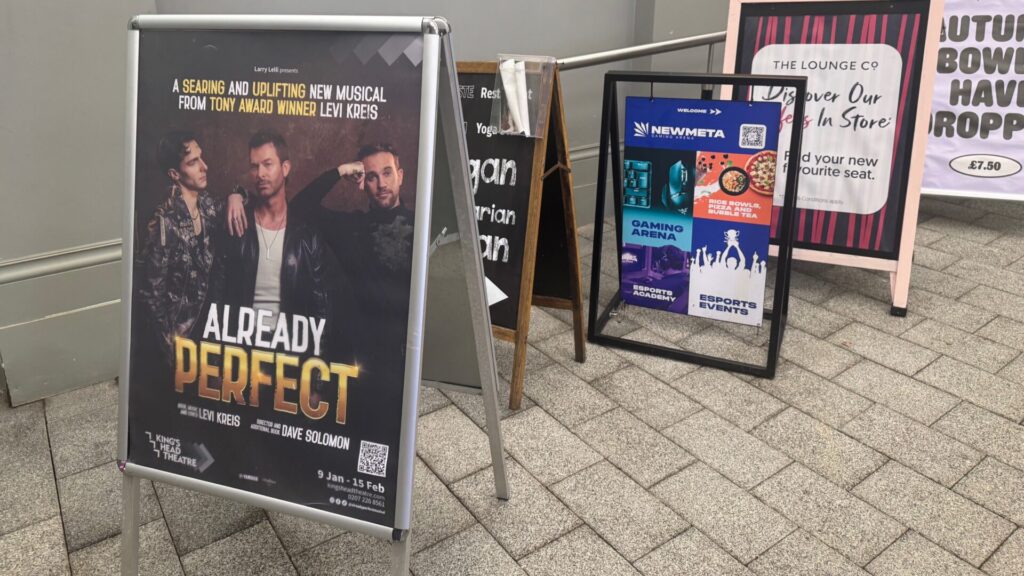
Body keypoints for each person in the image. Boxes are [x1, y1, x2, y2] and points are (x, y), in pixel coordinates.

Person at [135, 130, 245, 366]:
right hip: (179, 341)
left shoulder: (207, 206)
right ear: (175, 174)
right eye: (193, 162)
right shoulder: (165, 222)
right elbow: (151, 297)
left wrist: (236, 195)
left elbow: (239, 201)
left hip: (211, 332)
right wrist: (170, 349)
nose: (204, 167)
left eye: (201, 158)